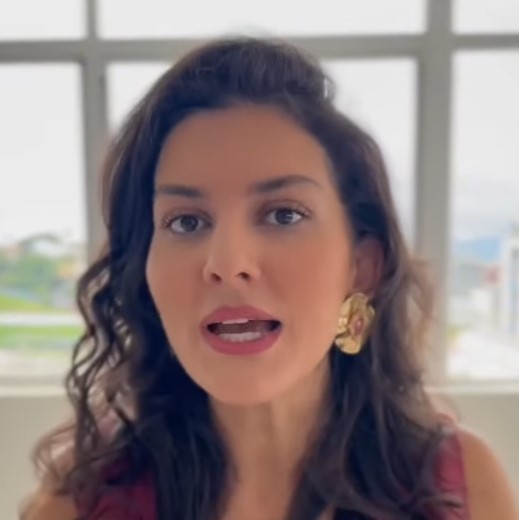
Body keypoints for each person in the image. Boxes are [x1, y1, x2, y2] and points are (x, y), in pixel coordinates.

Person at [22, 37, 518, 520]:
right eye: (186, 222)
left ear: (362, 267)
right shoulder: (77, 505)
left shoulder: (461, 490)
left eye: (283, 215)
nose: (227, 262)